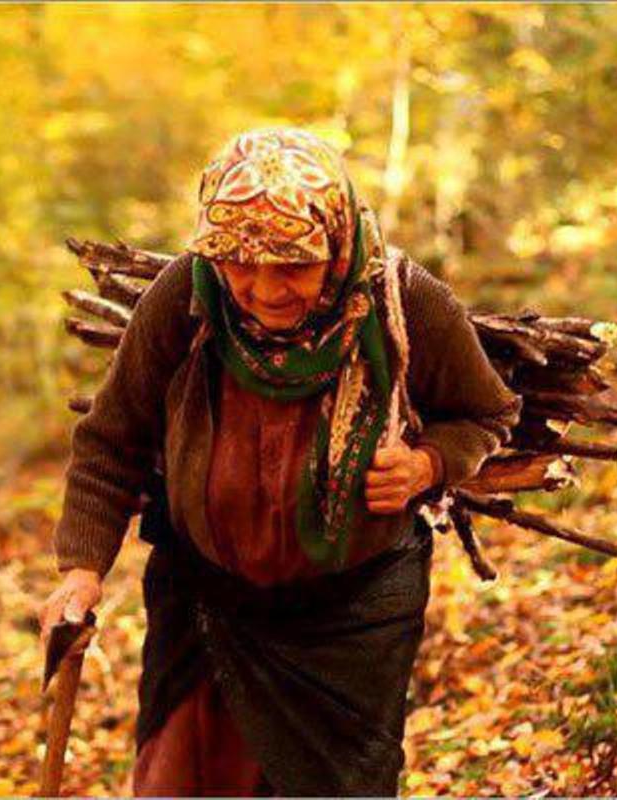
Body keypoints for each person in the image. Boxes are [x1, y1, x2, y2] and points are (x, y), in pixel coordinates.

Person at [40, 126, 522, 796]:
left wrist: (430, 463)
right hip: (206, 603)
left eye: (294, 265)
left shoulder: (404, 302)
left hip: (351, 618)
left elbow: (489, 413)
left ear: (336, 243)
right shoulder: (186, 297)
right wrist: (81, 570)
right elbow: (111, 439)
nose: (265, 290)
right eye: (241, 263)